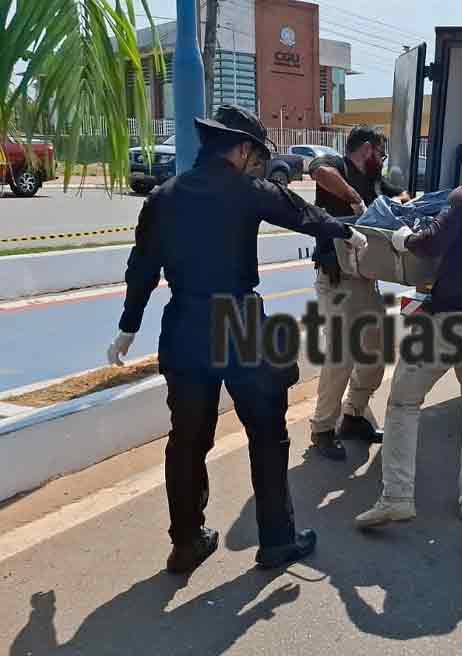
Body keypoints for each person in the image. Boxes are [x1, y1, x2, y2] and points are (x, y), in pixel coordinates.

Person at [105, 104, 368, 574]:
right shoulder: (247, 190)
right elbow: (301, 213)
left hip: (184, 324)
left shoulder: (164, 196)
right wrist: (345, 229)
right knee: (267, 434)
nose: (259, 163)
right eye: (257, 155)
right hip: (238, 321)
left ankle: (185, 542)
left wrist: (129, 326)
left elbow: (141, 267)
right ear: (242, 149)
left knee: (187, 440)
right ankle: (277, 541)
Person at [355, 136, 462, 528]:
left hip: (447, 319)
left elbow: (432, 244)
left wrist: (403, 240)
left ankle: (397, 497)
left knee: (403, 404)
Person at [304, 125, 408, 460]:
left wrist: (396, 205)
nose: (382, 160)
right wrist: (355, 200)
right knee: (342, 354)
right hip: (336, 280)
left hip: (365, 280)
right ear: (366, 149)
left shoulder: (376, 180)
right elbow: (317, 171)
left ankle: (354, 415)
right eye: (380, 153)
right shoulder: (339, 167)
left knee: (375, 350)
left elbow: (402, 195)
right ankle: (322, 428)